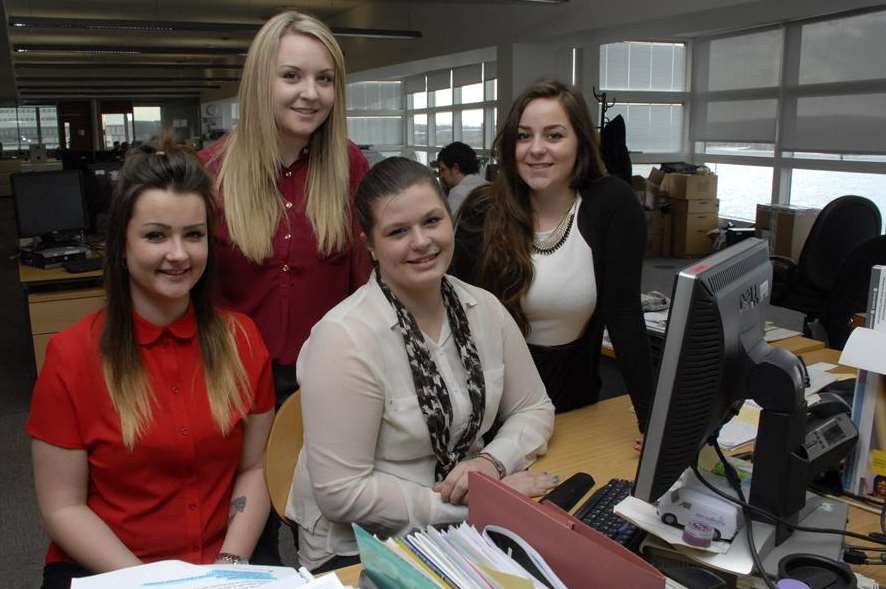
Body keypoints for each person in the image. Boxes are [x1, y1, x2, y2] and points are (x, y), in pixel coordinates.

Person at [286, 157, 557, 572]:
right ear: (371, 246)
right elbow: (342, 492)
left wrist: (491, 463)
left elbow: (534, 407)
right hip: (362, 547)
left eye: (432, 221)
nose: (422, 242)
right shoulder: (344, 339)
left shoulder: (483, 309)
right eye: (397, 231)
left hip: (463, 524)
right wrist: (481, 505)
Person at [27, 139, 275, 589]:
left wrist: (230, 568)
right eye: (156, 235)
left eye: (193, 235)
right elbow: (62, 507)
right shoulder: (71, 355)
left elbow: (254, 468)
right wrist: (154, 584)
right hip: (108, 567)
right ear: (121, 245)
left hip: (222, 563)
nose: (178, 254)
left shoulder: (242, 340)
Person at [451, 80, 653, 440]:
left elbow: (625, 316)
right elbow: (456, 322)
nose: (536, 149)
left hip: (576, 407)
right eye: (524, 136)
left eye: (554, 136)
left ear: (580, 143)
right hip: (494, 416)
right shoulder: (482, 212)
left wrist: (651, 422)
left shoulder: (610, 205)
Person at [198, 10, 371, 404]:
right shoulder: (210, 171)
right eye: (291, 76)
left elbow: (364, 282)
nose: (310, 93)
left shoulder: (350, 166)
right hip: (233, 381)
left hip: (331, 380)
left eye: (324, 79)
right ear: (261, 81)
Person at [436, 141, 489, 215]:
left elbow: (451, 224)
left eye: (443, 170)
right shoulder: (487, 186)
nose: (441, 175)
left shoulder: (457, 194)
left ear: (455, 168)